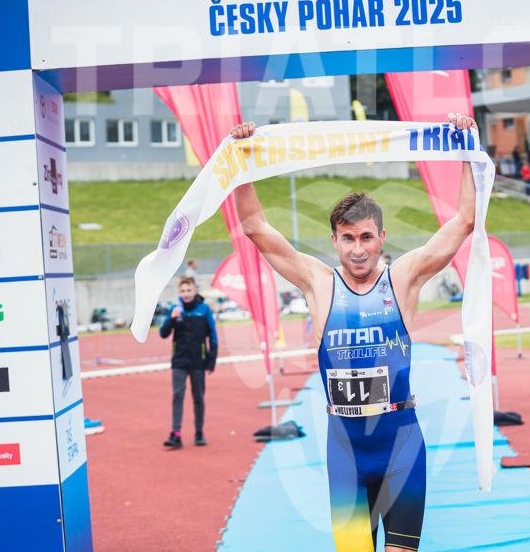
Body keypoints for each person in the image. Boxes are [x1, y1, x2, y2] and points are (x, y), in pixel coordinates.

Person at [229, 113, 478, 552]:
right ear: (334, 240)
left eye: (366, 237)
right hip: (346, 455)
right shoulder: (318, 284)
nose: (358, 249)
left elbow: (463, 222)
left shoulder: (403, 278)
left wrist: (467, 150)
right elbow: (256, 228)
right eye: (348, 238)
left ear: (381, 236)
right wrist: (241, 158)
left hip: (401, 447)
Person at [160, 277, 218, 448]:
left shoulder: (204, 309)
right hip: (179, 360)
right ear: (179, 292)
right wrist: (171, 319)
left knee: (198, 397)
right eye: (183, 291)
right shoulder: (175, 309)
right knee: (177, 395)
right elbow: (163, 333)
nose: (186, 293)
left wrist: (211, 360)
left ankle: (199, 432)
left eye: (189, 290)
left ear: (195, 291)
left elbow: (213, 336)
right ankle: (176, 434)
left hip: (198, 361)